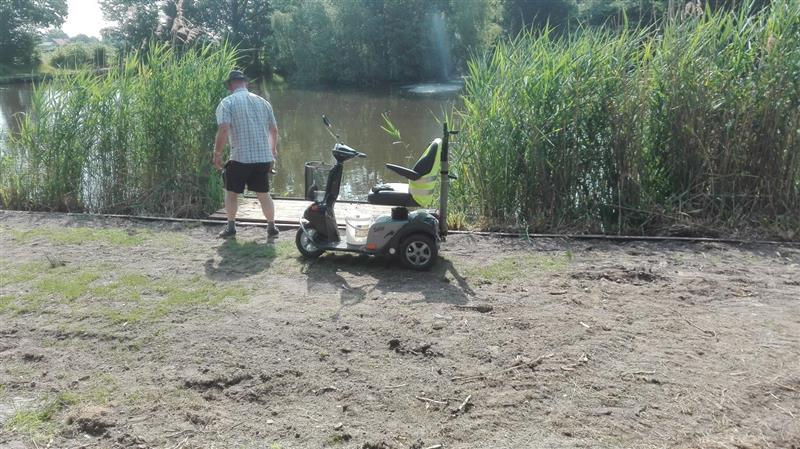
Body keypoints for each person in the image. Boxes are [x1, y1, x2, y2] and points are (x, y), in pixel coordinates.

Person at [213, 70, 280, 238]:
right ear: (246, 83)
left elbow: (223, 129)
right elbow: (273, 130)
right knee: (263, 194)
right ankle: (272, 226)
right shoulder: (263, 102)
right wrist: (272, 152)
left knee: (231, 193)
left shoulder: (227, 102)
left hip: (240, 158)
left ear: (230, 86)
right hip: (263, 158)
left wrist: (217, 154)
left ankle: (231, 227)